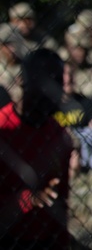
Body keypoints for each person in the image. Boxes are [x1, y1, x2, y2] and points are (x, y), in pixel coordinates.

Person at [0, 49, 73, 249]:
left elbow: (61, 202)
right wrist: (28, 199)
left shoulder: (60, 136)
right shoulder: (2, 129)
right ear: (23, 80)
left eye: (58, 81)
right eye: (46, 80)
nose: (54, 90)